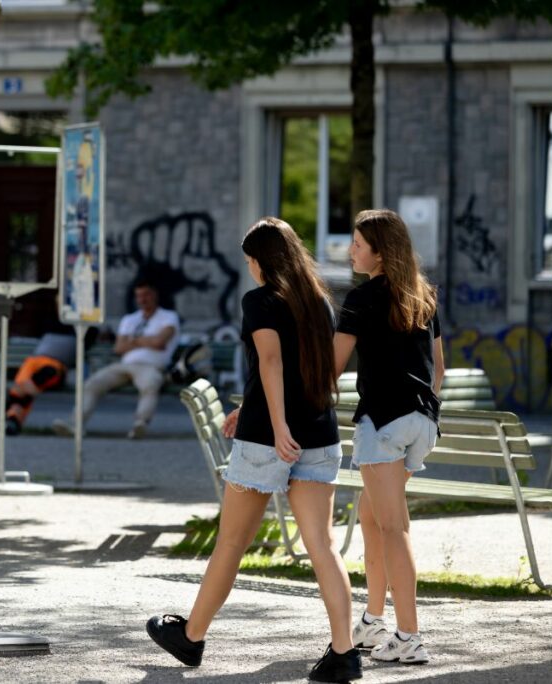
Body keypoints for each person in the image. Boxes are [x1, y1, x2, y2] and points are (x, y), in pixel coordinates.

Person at [145, 218, 362, 683]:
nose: (249, 270)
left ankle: (191, 637)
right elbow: (311, 373)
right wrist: (250, 406)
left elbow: (271, 361)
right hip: (320, 435)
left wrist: (277, 424)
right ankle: (344, 653)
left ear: (263, 261)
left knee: (231, 542)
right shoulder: (319, 302)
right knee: (322, 546)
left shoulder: (260, 301)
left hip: (270, 438)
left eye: (250, 261)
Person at [333, 209, 444, 665]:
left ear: (379, 251)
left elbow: (330, 369)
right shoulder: (423, 295)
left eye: (358, 244)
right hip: (420, 422)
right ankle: (374, 618)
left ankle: (409, 636)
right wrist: (423, 411)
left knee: (393, 528)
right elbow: (438, 371)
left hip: (382, 423)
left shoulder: (361, 299)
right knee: (372, 516)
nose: (350, 251)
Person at [52, 279, 179, 439]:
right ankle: (75, 424)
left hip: (151, 365)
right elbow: (119, 348)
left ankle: (141, 423)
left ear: (155, 295)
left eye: (146, 295)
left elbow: (160, 342)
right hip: (125, 365)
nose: (142, 300)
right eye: (139, 296)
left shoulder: (168, 317)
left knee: (150, 384)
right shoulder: (130, 319)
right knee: (93, 383)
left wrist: (132, 341)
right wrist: (147, 341)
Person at [5, 325, 96, 435]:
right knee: (19, 392)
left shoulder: (34, 366)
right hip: (43, 362)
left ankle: (13, 418)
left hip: (53, 365)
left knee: (23, 391)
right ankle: (13, 419)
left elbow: (27, 385)